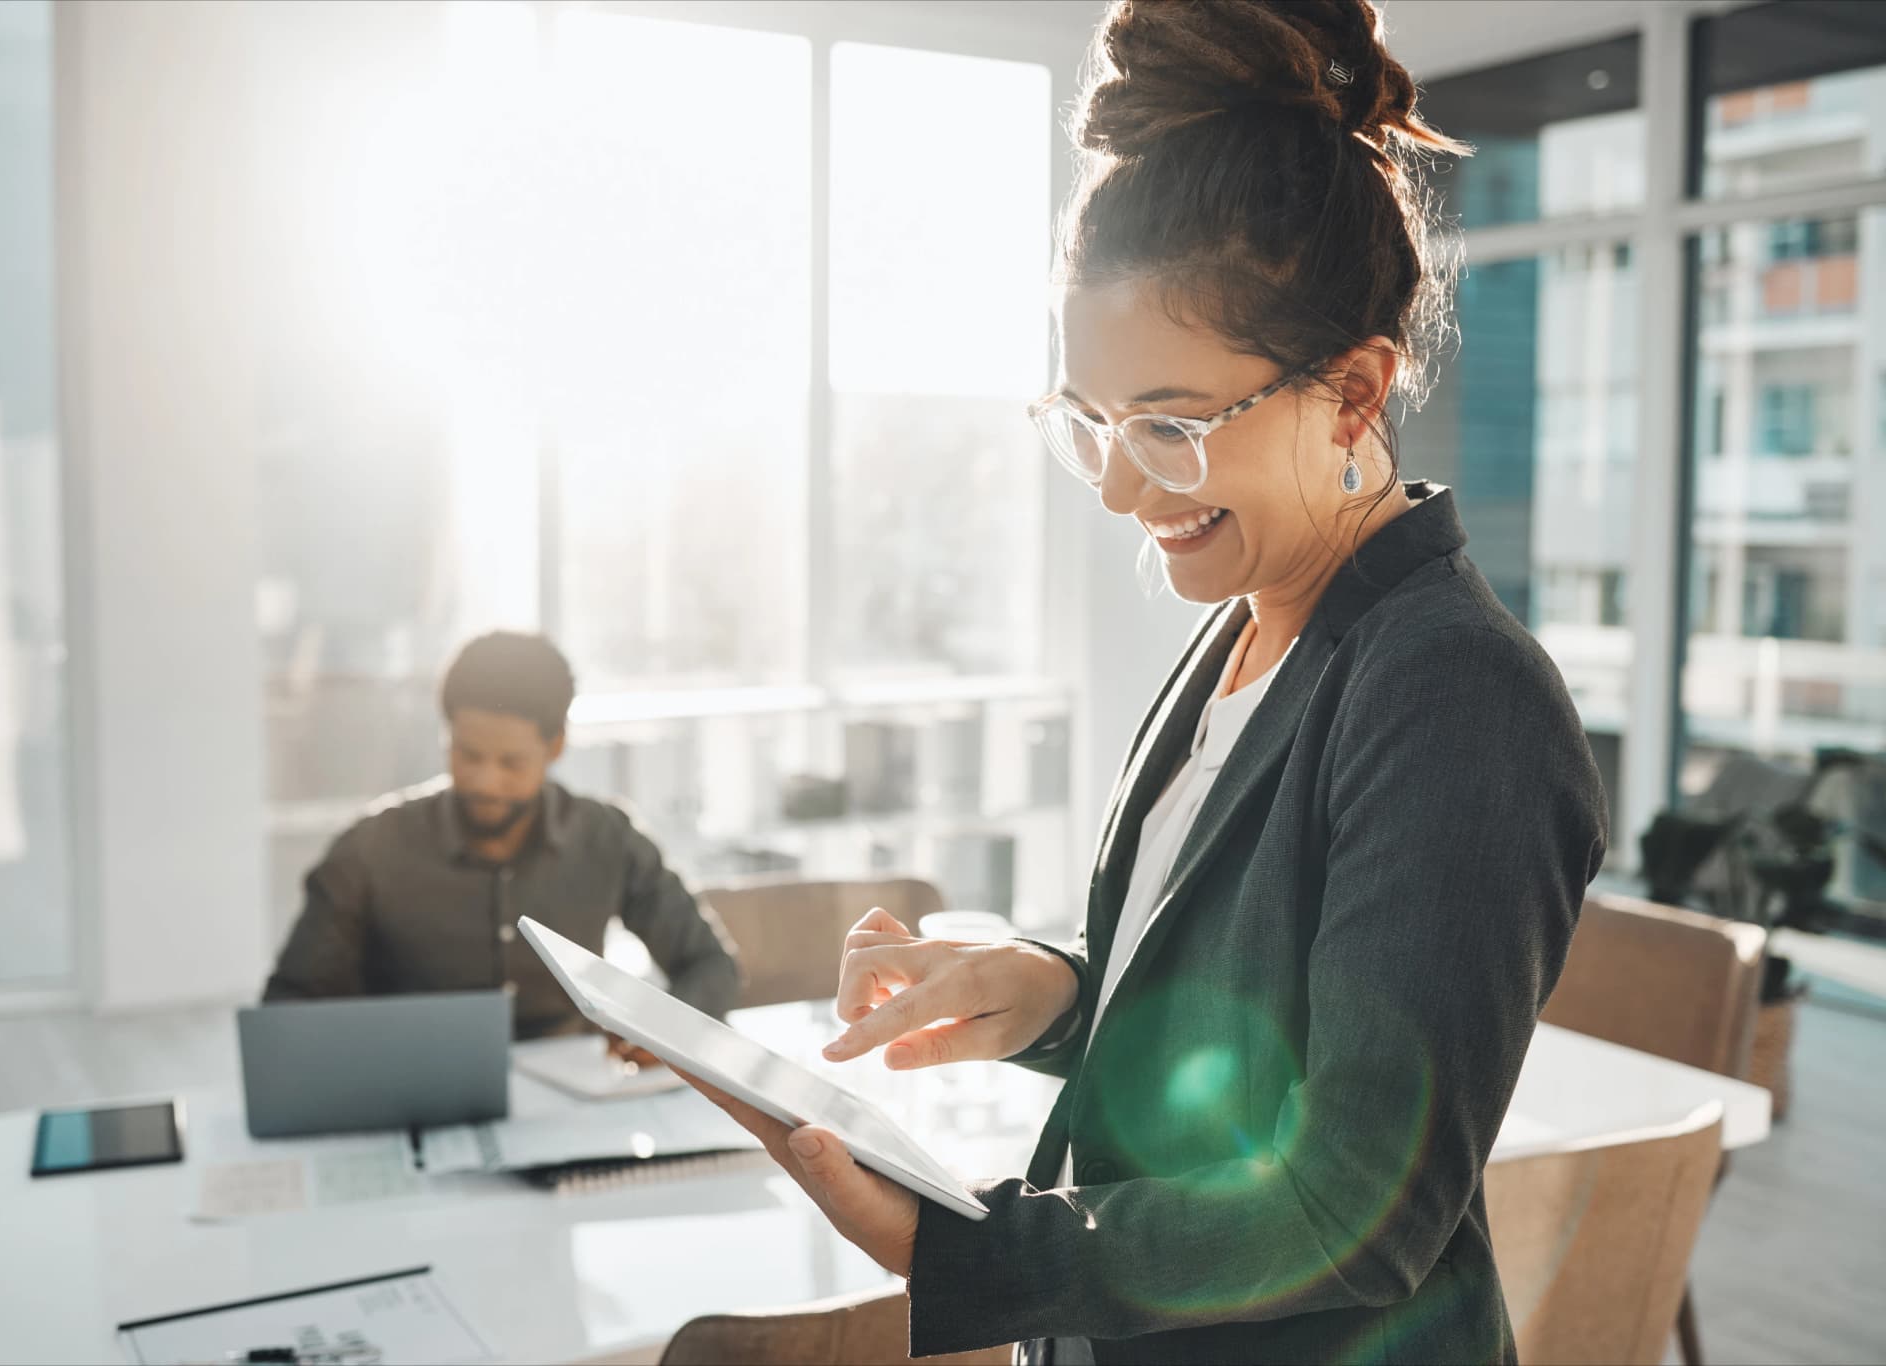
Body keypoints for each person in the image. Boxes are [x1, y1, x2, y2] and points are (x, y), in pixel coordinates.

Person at [680, 2, 1607, 1361]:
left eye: (1170, 425)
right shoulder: (1245, 624)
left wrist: (973, 1250)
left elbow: (1359, 1202)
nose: (1118, 485)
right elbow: (1241, 1003)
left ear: (1354, 393)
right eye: (1094, 423)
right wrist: (1055, 986)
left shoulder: (1456, 698)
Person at [264, 631, 739, 1057]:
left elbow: (710, 965)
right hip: (415, 1086)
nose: (486, 782)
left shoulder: (607, 836)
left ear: (555, 747)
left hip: (575, 1095)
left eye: (511, 762)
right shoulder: (368, 848)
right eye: (467, 754)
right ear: (445, 735)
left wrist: (661, 1034)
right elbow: (288, 1007)